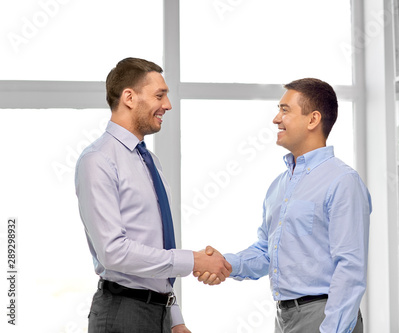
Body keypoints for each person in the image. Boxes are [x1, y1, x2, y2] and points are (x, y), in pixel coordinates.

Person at [196, 78, 371, 333]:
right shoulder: (278, 186)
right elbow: (267, 251)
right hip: (284, 318)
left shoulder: (343, 181)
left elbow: (350, 268)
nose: (276, 119)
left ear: (313, 120)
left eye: (285, 110)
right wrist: (226, 264)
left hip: (324, 317)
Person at [75, 57, 231, 333]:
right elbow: (113, 252)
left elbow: (155, 246)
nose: (167, 105)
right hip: (123, 314)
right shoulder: (98, 160)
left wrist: (174, 317)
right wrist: (193, 260)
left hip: (157, 313)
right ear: (129, 97)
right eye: (160, 95)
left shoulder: (149, 161)